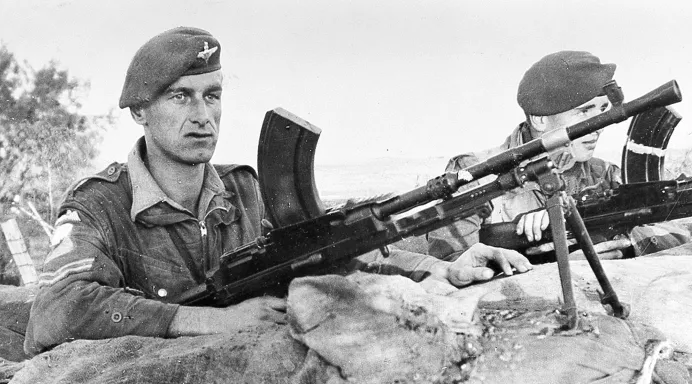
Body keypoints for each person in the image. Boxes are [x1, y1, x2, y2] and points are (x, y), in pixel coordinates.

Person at [23, 27, 533, 356]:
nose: (202, 115)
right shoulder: (99, 204)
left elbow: (331, 251)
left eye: (213, 96)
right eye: (181, 97)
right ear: (139, 110)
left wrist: (439, 267)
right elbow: (58, 308)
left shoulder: (246, 189)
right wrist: (199, 321)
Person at [427, 51, 689, 262]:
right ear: (540, 119)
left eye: (602, 111)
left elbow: (677, 230)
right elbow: (453, 263)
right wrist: (561, 261)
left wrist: (628, 244)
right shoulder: (476, 173)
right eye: (584, 112)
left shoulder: (603, 174)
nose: (599, 125)